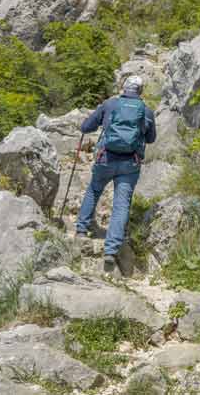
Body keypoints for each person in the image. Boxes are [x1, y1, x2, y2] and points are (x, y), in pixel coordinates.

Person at [75, 75, 156, 272]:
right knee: (121, 205)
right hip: (130, 163)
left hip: (106, 159)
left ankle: (81, 231)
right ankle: (111, 251)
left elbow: (86, 127)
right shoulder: (146, 111)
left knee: (94, 190)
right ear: (140, 91)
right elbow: (151, 139)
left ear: (123, 87)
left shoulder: (110, 103)